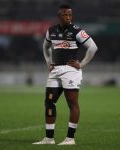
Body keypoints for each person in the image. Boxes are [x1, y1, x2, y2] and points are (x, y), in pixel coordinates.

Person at [33, 4, 98, 145]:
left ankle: (70, 138)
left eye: (70, 15)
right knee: (49, 102)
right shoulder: (51, 30)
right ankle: (49, 139)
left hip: (70, 71)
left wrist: (81, 64)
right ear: (59, 16)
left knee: (72, 103)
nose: (68, 17)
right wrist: (49, 62)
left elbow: (93, 47)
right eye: (65, 15)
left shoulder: (77, 31)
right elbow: (45, 46)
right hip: (55, 70)